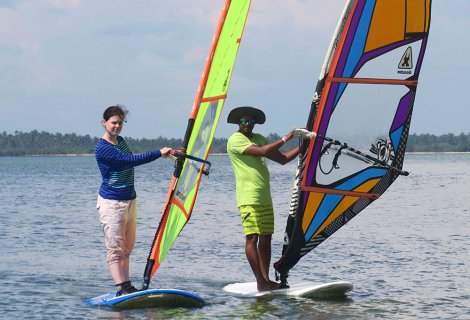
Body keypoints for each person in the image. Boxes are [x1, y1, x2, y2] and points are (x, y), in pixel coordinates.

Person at [95, 105, 172, 296]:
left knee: (127, 246)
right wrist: (158, 153)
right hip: (112, 203)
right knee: (115, 248)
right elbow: (130, 161)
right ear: (104, 123)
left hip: (130, 200)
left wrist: (169, 154)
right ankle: (120, 288)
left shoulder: (120, 141)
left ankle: (127, 284)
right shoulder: (103, 148)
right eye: (113, 123)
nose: (117, 126)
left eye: (120, 123)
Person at [226, 106, 300, 291]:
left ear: (255, 123)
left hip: (265, 196)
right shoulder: (235, 140)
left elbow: (282, 159)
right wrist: (286, 138)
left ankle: (266, 281)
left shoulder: (259, 139)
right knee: (252, 238)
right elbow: (261, 152)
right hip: (248, 197)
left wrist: (304, 147)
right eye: (243, 121)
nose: (247, 124)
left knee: (266, 238)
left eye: (250, 121)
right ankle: (260, 281)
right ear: (238, 123)